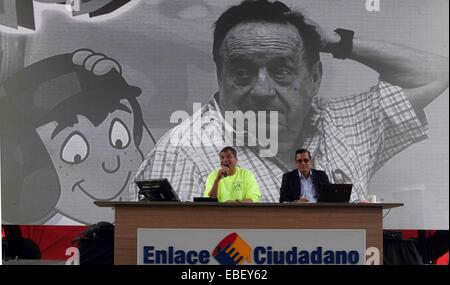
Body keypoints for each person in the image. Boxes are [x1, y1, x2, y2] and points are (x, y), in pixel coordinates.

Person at [130, 0, 449, 203]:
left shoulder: (344, 126)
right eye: (242, 72)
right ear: (220, 76)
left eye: (281, 71)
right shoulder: (181, 159)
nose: (262, 89)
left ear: (314, 78)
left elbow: (436, 73)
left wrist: (339, 43)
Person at [0, 49, 155, 225]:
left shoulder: (149, 222)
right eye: (76, 154)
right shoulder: (38, 235)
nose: (112, 164)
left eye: (120, 139)